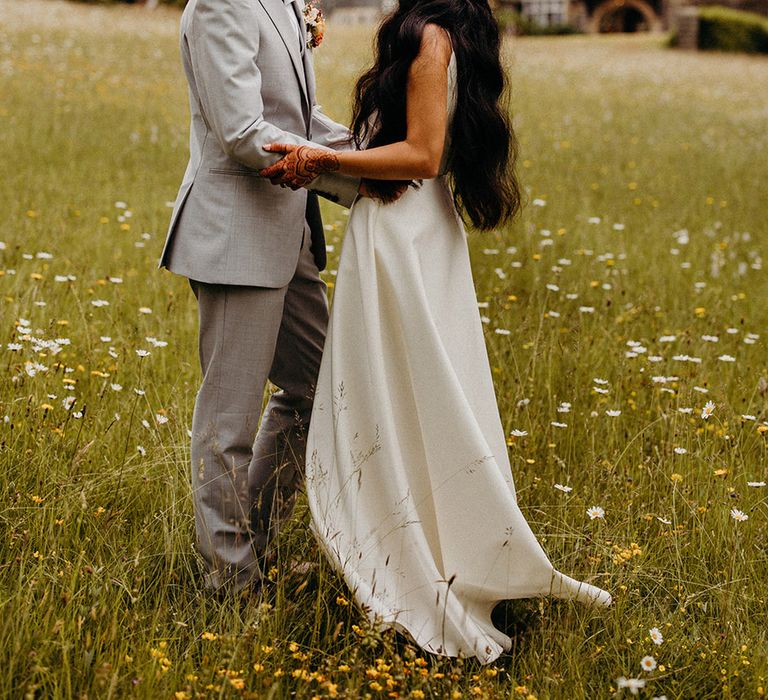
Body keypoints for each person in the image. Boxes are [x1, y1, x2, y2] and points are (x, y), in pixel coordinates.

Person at [260, 0, 612, 663]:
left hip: (402, 238)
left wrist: (315, 156)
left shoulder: (427, 38)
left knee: (396, 399)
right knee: (420, 396)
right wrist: (325, 165)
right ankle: (437, 543)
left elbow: (421, 156)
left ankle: (415, 558)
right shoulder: (448, 36)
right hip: (420, 231)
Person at [157, 0, 363, 596]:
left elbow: (299, 117)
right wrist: (352, 175)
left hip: (290, 233)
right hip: (235, 236)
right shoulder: (222, 3)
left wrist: (378, 156)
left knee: (316, 388)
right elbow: (243, 132)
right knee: (229, 421)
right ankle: (230, 583)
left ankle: (250, 539)